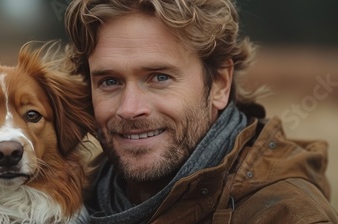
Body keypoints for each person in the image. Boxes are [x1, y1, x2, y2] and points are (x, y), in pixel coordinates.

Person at [64, 0, 338, 223]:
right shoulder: (62, 205)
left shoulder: (285, 215)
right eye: (109, 82)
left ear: (220, 83)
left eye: (159, 77)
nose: (130, 109)